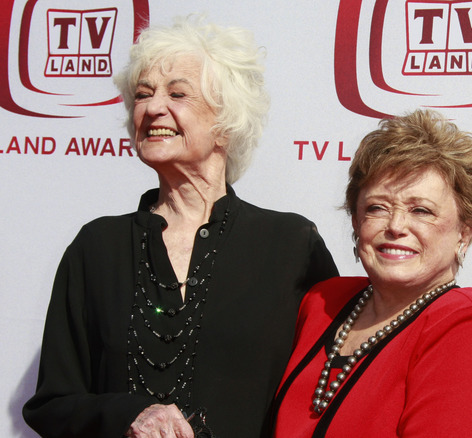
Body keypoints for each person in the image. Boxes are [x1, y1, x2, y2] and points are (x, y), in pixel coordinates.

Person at [23, 16, 338, 438]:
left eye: (177, 93)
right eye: (142, 94)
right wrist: (127, 415)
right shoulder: (97, 246)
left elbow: (331, 393)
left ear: (227, 119)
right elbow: (52, 404)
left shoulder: (291, 246)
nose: (152, 108)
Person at [270, 109, 472, 437]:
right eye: (377, 207)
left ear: (464, 233)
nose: (396, 226)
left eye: (421, 210)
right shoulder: (323, 301)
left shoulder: (466, 328)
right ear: (357, 221)